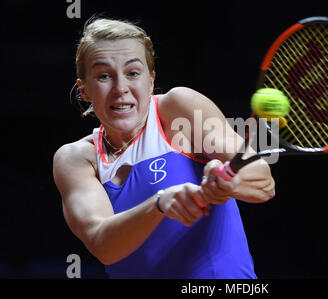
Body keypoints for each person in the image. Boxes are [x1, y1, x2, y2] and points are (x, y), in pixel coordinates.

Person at [53, 17, 275, 279]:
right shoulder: (77, 159)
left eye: (133, 73)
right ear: (84, 91)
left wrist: (229, 185)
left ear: (150, 80)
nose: (121, 88)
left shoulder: (178, 109)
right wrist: (160, 203)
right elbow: (103, 245)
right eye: (104, 76)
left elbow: (263, 181)